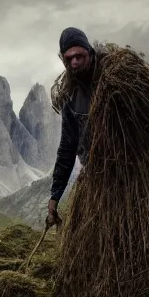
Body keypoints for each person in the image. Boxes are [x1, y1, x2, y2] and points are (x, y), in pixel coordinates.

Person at [47, 27, 97, 228]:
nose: (74, 62)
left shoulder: (113, 81)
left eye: (79, 56)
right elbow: (68, 148)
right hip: (96, 175)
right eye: (69, 58)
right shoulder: (70, 97)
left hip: (130, 174)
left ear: (90, 53)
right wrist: (55, 196)